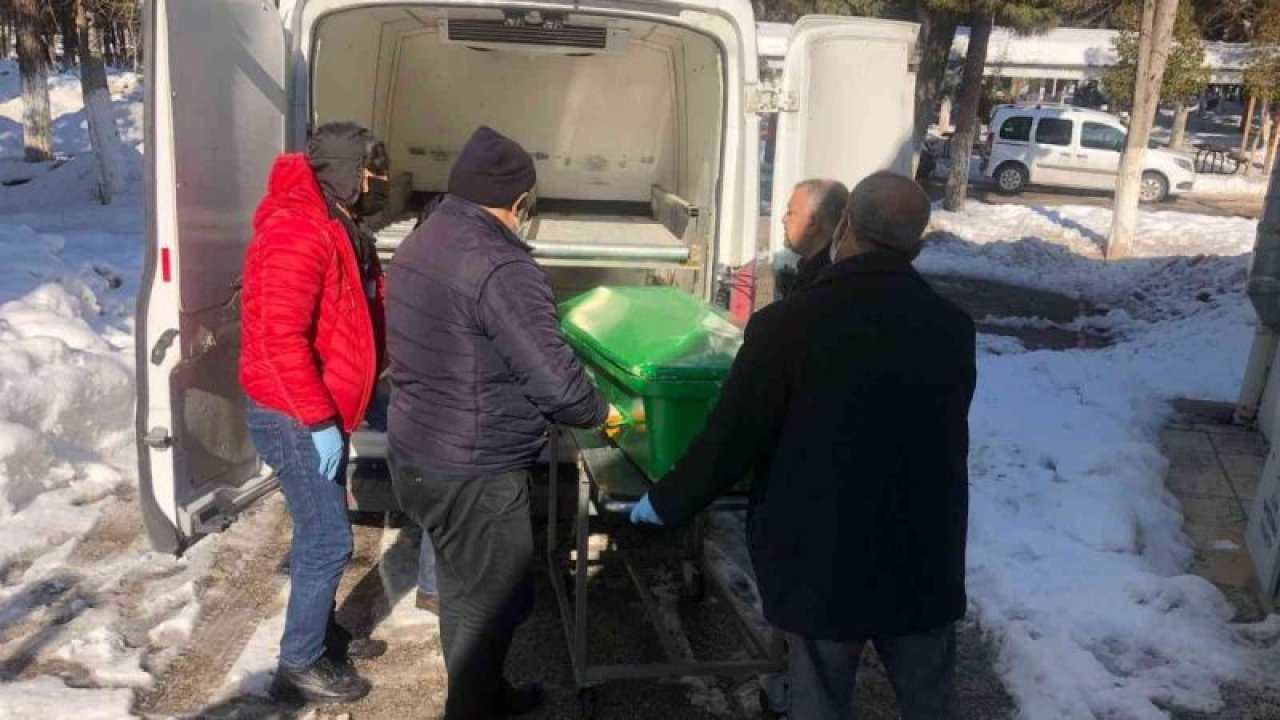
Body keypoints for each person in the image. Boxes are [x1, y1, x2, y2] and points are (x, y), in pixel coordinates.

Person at [631, 172, 977, 720]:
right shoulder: (953, 327)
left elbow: (731, 438)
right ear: (917, 244)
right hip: (921, 557)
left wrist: (667, 501)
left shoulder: (786, 326)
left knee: (818, 700)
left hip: (824, 561)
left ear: (844, 227)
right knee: (930, 701)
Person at [385, 125, 609, 719]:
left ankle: (485, 694)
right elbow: (560, 386)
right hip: (474, 471)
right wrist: (603, 413)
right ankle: (472, 708)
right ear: (519, 201)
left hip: (419, 456)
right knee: (495, 603)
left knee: (462, 593)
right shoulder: (500, 267)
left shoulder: (422, 239)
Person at [239, 122, 392, 704]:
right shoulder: (297, 231)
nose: (379, 184)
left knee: (318, 534)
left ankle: (320, 633)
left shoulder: (335, 221)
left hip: (318, 407)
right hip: (292, 413)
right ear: (347, 173)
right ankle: (298, 662)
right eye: (372, 173)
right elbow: (280, 340)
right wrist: (319, 420)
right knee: (329, 540)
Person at [776, 179, 849, 299]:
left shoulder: (826, 286)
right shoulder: (843, 270)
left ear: (812, 223)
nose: (783, 219)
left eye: (790, 212)